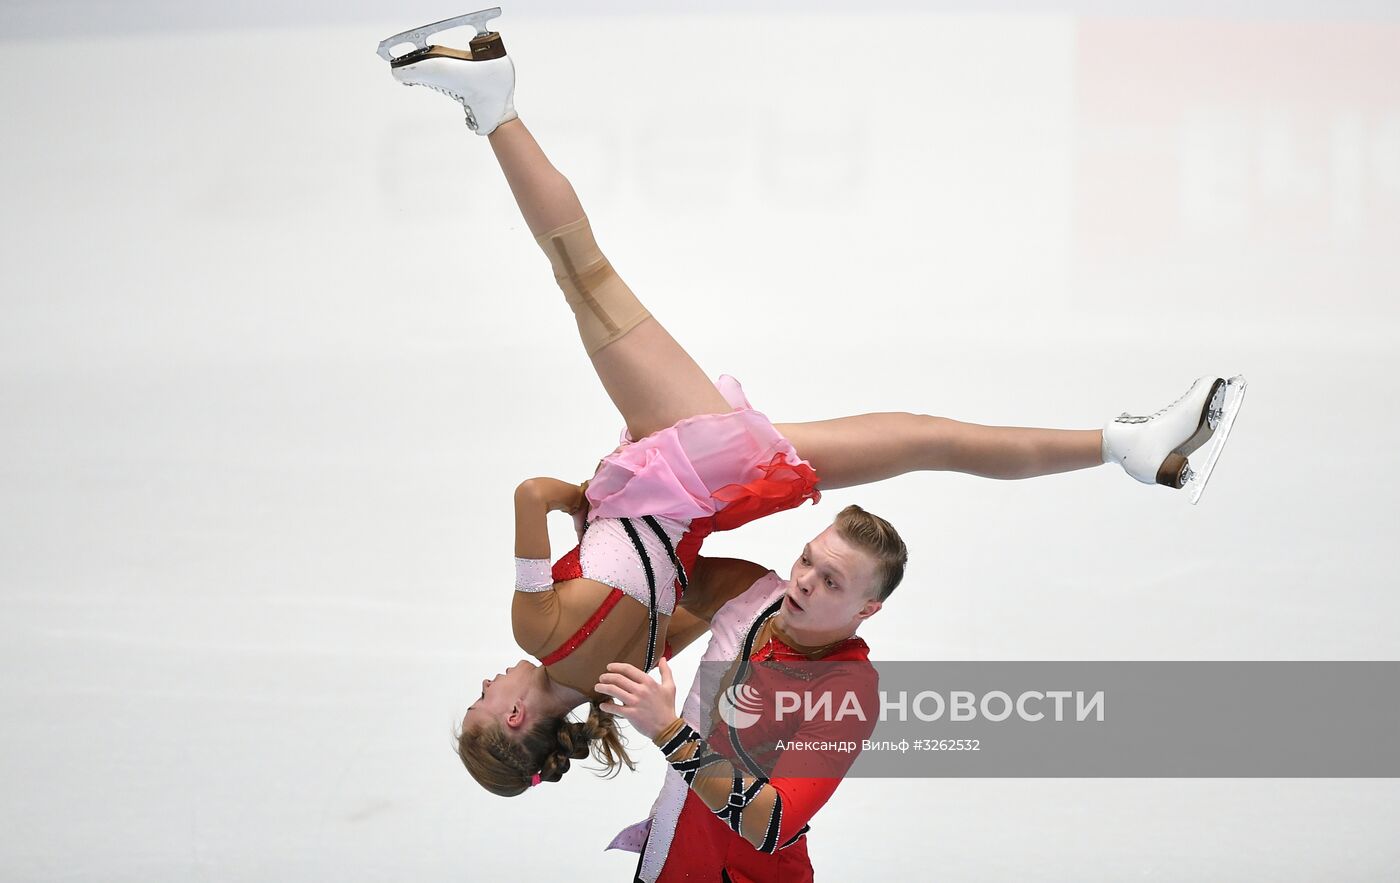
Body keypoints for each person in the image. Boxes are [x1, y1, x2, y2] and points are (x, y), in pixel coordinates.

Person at [375, 8, 1247, 800]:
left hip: (709, 483)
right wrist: (588, 502)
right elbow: (533, 494)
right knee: (582, 271)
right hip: (681, 450)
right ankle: (492, 97)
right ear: (517, 721)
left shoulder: (638, 666)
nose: (487, 682)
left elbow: (726, 589)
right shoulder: (533, 624)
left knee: (921, 437)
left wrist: (768, 624)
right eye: (482, 700)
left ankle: (1129, 445)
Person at [598, 508, 901, 882]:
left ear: (867, 609)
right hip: (668, 854)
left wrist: (669, 733)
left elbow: (773, 824)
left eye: (831, 582)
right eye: (806, 559)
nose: (804, 581)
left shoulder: (848, 691)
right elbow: (648, 568)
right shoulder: (751, 592)